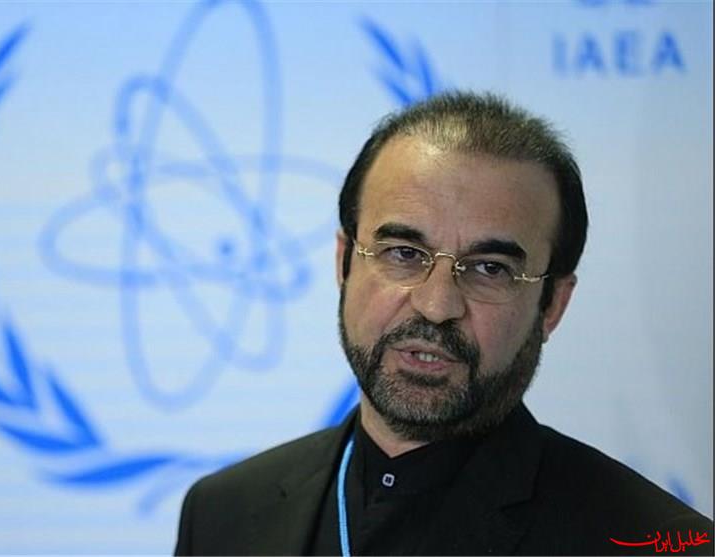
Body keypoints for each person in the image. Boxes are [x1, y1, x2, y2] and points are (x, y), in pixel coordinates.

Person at [173, 91, 713, 555]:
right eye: (404, 253)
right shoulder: (222, 514)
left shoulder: (652, 541)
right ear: (344, 262)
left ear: (552, 304)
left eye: (490, 268)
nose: (436, 305)